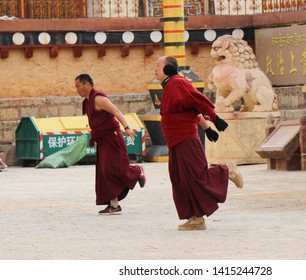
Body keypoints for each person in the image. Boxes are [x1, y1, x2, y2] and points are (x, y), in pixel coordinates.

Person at [154, 56, 243, 231]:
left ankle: (227, 172)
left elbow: (197, 100)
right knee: (181, 179)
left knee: (196, 177)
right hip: (175, 141)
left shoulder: (178, 82)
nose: (154, 69)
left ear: (167, 69)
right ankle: (196, 218)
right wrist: (206, 128)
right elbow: (190, 109)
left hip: (186, 139)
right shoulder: (169, 87)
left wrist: (215, 119)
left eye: (158, 65)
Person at [75, 74, 146, 215]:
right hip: (102, 139)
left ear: (87, 85)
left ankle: (137, 171)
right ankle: (114, 204)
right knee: (104, 172)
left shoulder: (98, 98)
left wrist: (127, 127)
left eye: (78, 86)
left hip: (112, 137)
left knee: (116, 169)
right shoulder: (88, 101)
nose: (77, 89)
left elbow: (116, 111)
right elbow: (95, 121)